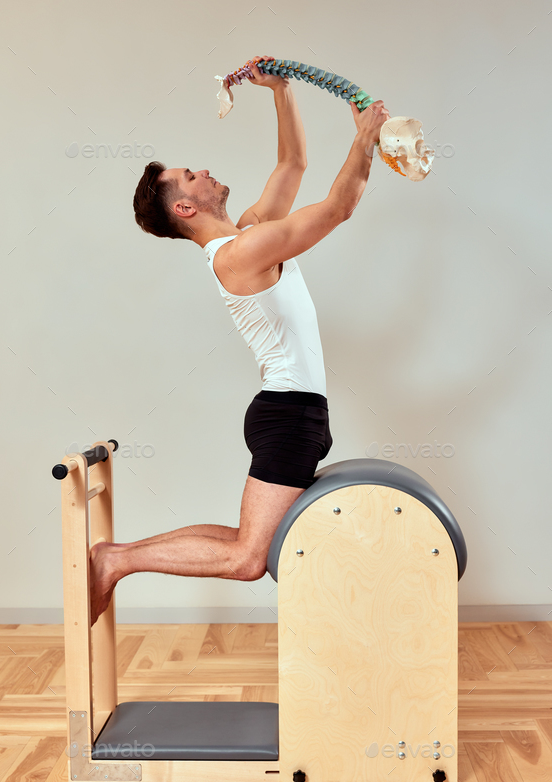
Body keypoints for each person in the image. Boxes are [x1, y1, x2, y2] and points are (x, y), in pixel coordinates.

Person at [89, 54, 390, 626]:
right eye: (190, 175)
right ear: (185, 207)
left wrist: (279, 90)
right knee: (249, 558)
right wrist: (365, 139)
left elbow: (292, 162)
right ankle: (115, 560)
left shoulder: (248, 233)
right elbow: (338, 208)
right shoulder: (238, 255)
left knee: (244, 542)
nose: (203, 169)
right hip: (288, 415)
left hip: (296, 412)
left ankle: (117, 556)